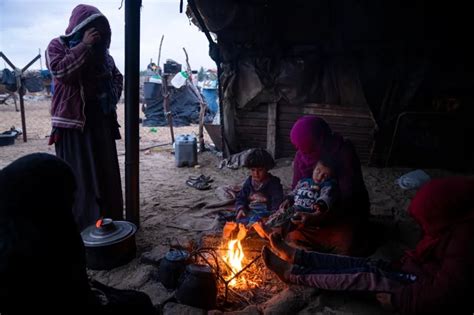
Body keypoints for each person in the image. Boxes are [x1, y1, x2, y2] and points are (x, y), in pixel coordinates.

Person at [262, 177, 474, 314]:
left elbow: (446, 294)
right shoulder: (454, 228)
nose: (424, 227)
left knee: (363, 277)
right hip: (412, 272)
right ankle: (299, 257)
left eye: (427, 220)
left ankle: (294, 274)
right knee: (363, 264)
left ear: (444, 214)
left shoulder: (464, 244)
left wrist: (400, 301)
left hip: (413, 289)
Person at [0, 153, 155, 314]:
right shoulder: (40, 242)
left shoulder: (22, 221)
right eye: (70, 198)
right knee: (141, 303)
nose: (72, 204)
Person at [45, 4, 124, 231]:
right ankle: (84, 227)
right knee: (80, 178)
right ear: (78, 28)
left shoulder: (104, 56)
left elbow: (117, 76)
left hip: (100, 121)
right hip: (73, 126)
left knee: (105, 174)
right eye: (91, 30)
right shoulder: (57, 46)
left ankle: (110, 222)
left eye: (100, 31)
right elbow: (61, 72)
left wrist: (109, 97)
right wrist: (84, 46)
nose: (96, 35)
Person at [284, 115, 370, 255]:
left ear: (321, 140)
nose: (304, 154)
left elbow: (350, 198)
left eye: (308, 150)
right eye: (300, 149)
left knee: (347, 244)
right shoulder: (301, 156)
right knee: (292, 238)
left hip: (341, 215)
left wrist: (321, 215)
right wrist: (291, 202)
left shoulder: (343, 152)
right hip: (309, 218)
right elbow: (297, 188)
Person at [265, 155, 338, 231]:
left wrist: (321, 204)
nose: (319, 177)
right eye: (318, 171)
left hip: (307, 212)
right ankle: (268, 227)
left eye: (325, 176)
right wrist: (288, 199)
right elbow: (294, 192)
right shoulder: (303, 182)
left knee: (289, 223)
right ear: (313, 169)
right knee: (279, 215)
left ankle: (278, 231)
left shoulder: (327, 186)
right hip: (294, 208)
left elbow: (327, 196)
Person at [234, 148, 284, 226]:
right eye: (253, 170)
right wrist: (241, 208)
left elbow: (277, 201)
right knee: (238, 221)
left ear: (267, 168)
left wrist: (272, 212)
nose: (256, 173)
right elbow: (241, 197)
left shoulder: (273, 183)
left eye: (260, 170)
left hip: (267, 213)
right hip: (251, 212)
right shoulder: (249, 182)